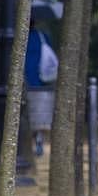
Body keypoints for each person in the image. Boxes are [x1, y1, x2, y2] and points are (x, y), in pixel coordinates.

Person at [24, 17, 58, 158]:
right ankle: (38, 139)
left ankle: (32, 139)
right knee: (39, 114)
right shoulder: (42, 36)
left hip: (25, 80)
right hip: (39, 82)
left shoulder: (18, 37)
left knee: (26, 113)